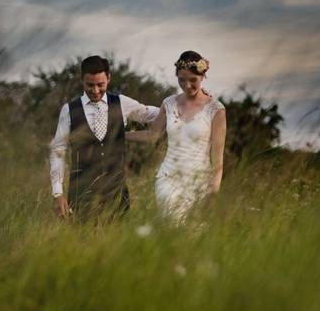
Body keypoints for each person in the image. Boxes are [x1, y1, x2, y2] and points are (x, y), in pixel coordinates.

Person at [49, 55, 161, 220]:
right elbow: (58, 151)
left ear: (109, 78)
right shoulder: (69, 110)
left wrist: (188, 102)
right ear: (82, 80)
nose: (95, 91)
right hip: (82, 195)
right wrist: (57, 193)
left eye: (100, 85)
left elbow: (153, 114)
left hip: (117, 194)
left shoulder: (121, 102)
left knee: (117, 245)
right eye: (90, 85)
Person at [127, 50, 227, 222]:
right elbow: (153, 135)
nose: (187, 85)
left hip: (199, 181)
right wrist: (120, 135)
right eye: (181, 79)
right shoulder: (169, 103)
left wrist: (213, 191)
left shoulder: (216, 109)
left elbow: (217, 158)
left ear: (202, 76)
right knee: (172, 224)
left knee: (195, 233)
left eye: (192, 80)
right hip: (169, 178)